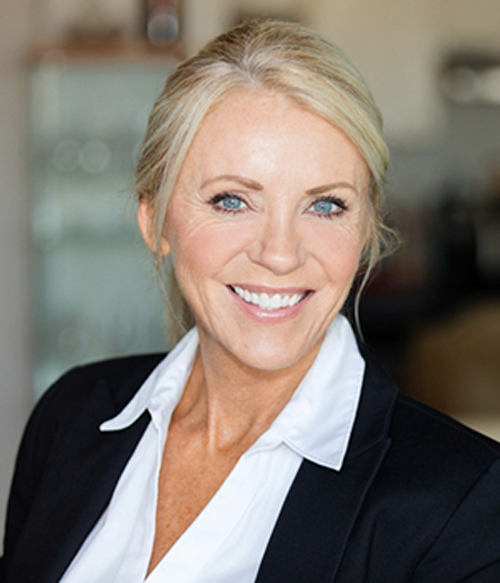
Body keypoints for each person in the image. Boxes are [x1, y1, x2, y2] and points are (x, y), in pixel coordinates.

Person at [2, 18, 500, 583]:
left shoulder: (464, 504)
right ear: (154, 220)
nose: (280, 254)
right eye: (232, 201)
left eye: (326, 205)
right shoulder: (71, 416)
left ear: (365, 230)